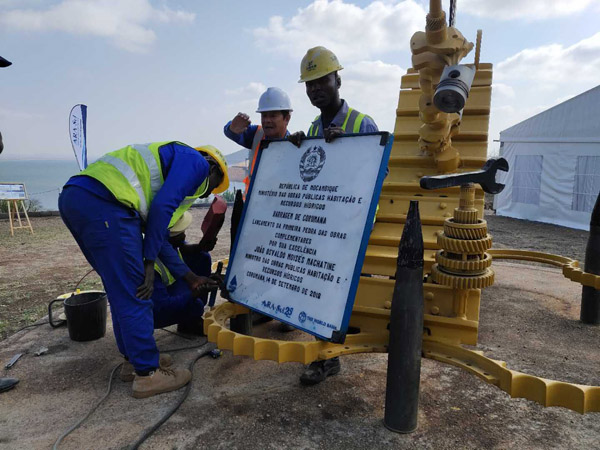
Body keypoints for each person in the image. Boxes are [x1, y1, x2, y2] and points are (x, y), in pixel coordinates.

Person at [59, 141, 229, 398]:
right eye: (213, 185)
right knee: (137, 289)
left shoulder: (166, 165)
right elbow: (162, 209)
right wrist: (148, 263)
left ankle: (134, 360)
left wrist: (191, 278)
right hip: (105, 203)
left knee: (121, 289)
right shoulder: (196, 162)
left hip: (79, 198)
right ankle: (148, 375)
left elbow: (158, 237)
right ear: (212, 167)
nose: (206, 193)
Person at [294, 46, 379, 386]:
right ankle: (325, 358)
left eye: (322, 81)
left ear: (338, 81)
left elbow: (378, 174)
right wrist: (296, 149)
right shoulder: (313, 127)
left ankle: (330, 354)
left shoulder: (362, 123)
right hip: (322, 224)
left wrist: (348, 149)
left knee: (336, 294)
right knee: (317, 290)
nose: (315, 89)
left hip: (351, 226)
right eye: (310, 84)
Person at [224, 87, 293, 196]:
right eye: (264, 115)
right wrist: (232, 128)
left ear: (287, 119)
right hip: (252, 203)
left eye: (273, 115)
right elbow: (230, 131)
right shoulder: (256, 134)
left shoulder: (294, 146)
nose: (267, 120)